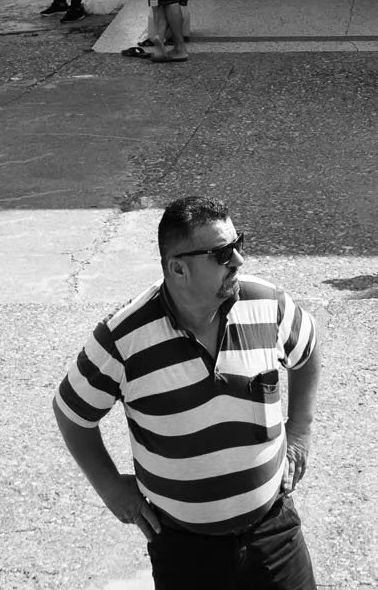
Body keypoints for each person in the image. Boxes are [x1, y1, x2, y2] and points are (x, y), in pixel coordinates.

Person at [55, 196, 321, 589]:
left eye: (239, 244)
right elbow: (72, 411)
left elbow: (308, 350)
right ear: (178, 268)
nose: (239, 261)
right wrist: (111, 488)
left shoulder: (267, 304)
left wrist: (299, 432)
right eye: (223, 253)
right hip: (185, 552)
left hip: (273, 533)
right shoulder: (124, 338)